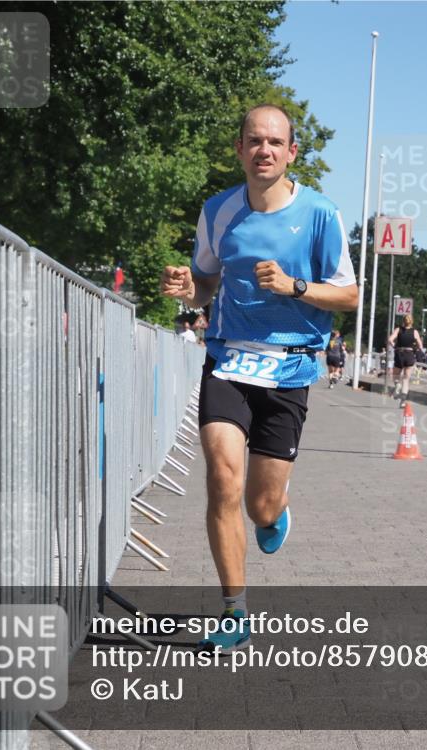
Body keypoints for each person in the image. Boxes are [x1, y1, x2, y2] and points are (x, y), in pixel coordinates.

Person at [159, 103, 357, 650]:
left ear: (292, 152)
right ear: (240, 149)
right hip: (228, 359)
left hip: (291, 365)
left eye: (275, 142)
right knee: (222, 477)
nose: (264, 150)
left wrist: (294, 286)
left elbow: (349, 295)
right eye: (254, 141)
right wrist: (185, 290)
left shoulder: (319, 214)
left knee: (259, 505)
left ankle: (276, 510)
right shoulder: (219, 210)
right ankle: (233, 610)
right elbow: (204, 283)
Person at [387, 314, 423, 407]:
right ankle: (402, 401)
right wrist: (416, 349)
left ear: (403, 321)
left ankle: (397, 385)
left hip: (399, 353)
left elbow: (390, 339)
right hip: (409, 354)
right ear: (412, 321)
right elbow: (420, 345)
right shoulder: (415, 332)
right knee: (406, 379)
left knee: (395, 375)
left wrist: (394, 346)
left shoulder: (398, 329)